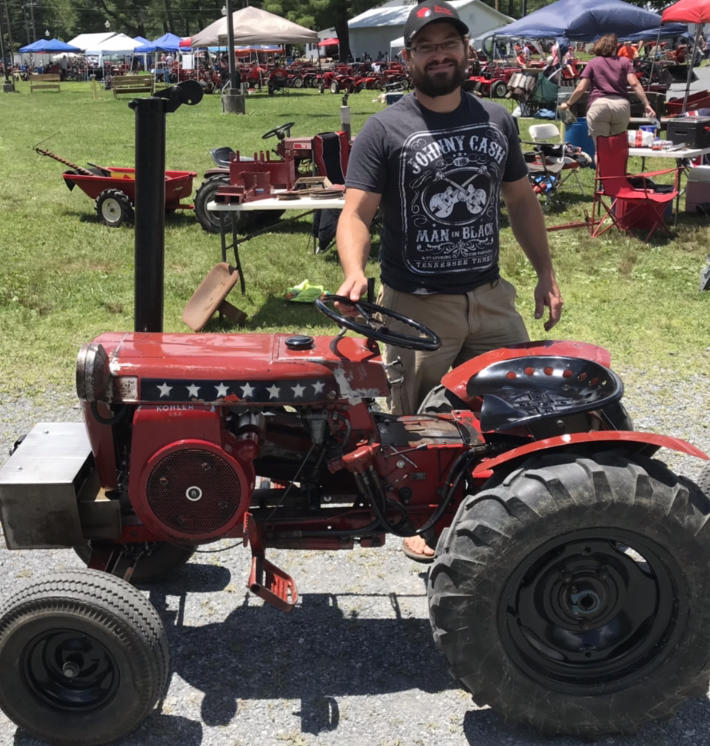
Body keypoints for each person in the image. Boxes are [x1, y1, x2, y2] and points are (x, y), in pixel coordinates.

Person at [334, 0, 563, 562]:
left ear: (466, 50)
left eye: (448, 45)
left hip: (490, 297)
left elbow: (521, 201)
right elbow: (356, 213)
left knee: (515, 405)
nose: (439, 56)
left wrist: (545, 273)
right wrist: (354, 271)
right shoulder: (385, 128)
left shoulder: (497, 120)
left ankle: (506, 507)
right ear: (408, 58)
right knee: (419, 424)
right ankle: (424, 519)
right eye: (427, 47)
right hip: (417, 305)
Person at [559, 33, 655, 142]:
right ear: (615, 47)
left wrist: (568, 103)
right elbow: (634, 83)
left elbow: (581, 87)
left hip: (599, 106)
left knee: (600, 147)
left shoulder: (593, 63)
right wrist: (646, 104)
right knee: (616, 145)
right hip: (621, 107)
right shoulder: (625, 62)